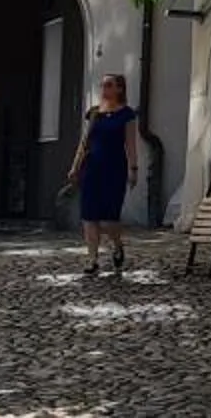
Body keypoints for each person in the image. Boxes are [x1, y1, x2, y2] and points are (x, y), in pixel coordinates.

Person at [63, 73, 140, 277]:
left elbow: (130, 144)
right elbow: (84, 142)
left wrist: (133, 169)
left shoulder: (126, 114)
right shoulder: (94, 113)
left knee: (109, 219)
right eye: (103, 85)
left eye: (108, 85)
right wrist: (75, 166)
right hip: (92, 168)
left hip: (114, 168)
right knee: (89, 215)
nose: (104, 89)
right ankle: (92, 259)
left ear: (119, 89)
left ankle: (116, 244)